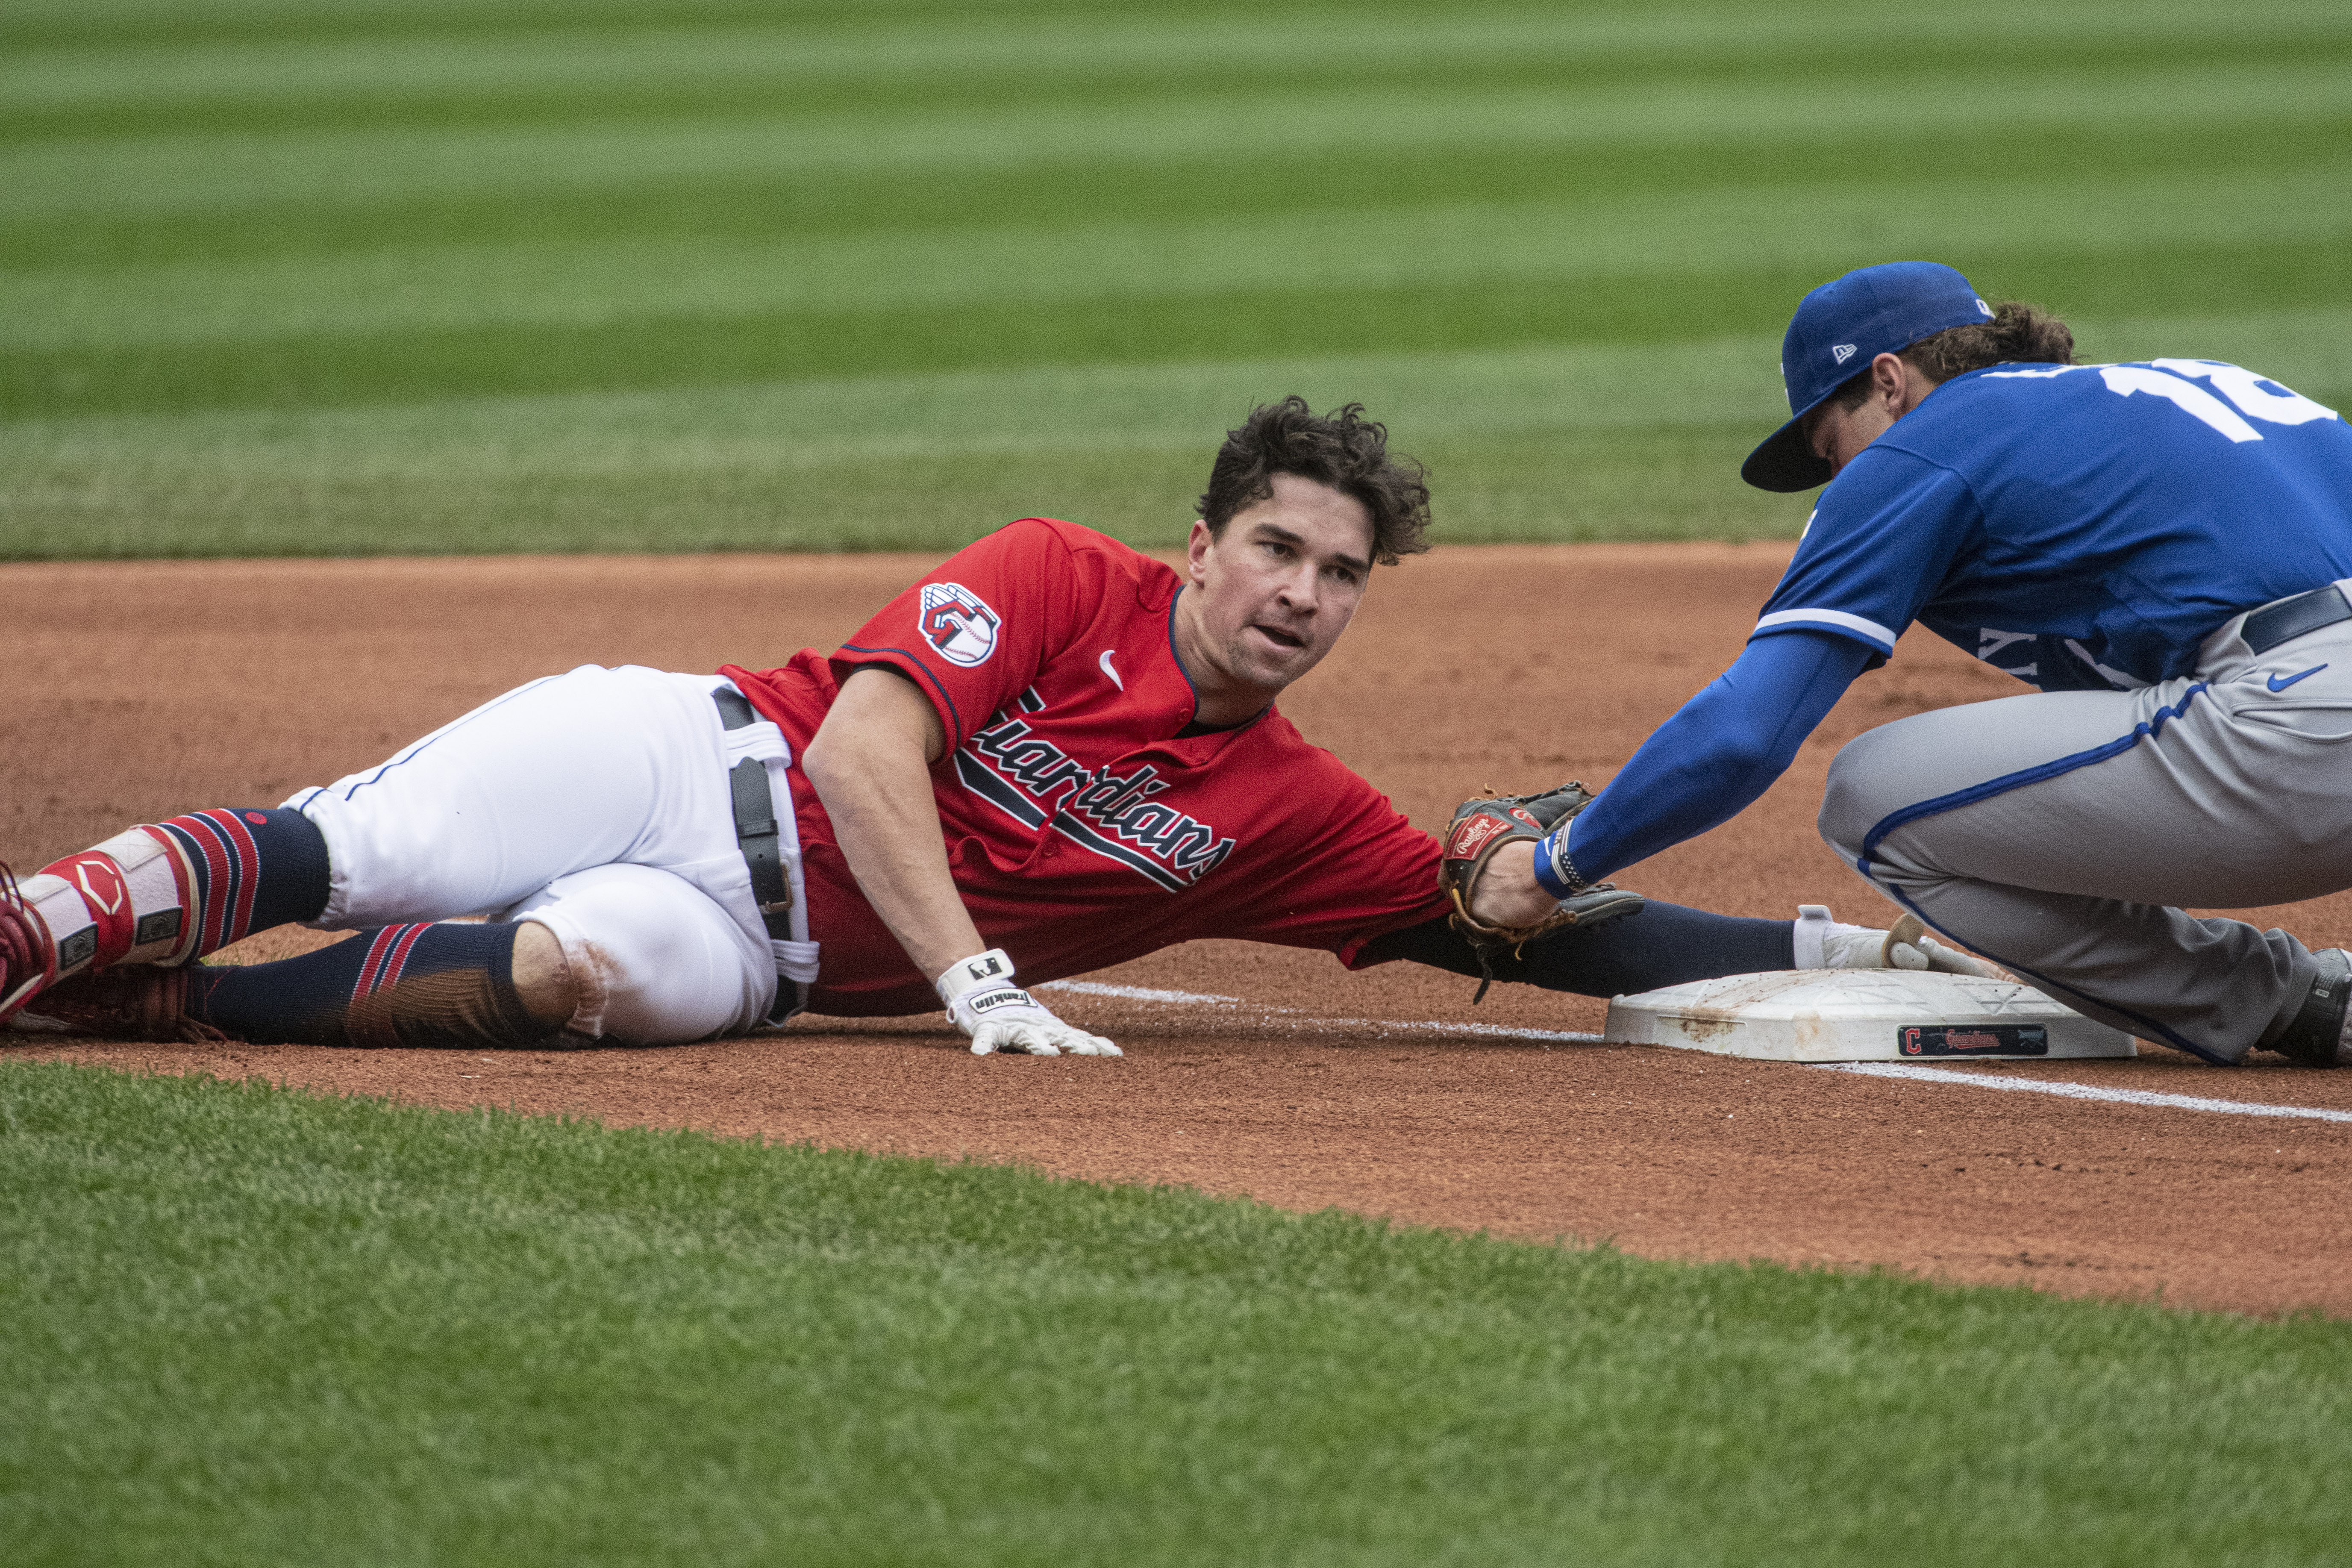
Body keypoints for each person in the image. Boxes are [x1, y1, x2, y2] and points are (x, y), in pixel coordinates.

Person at [0, 400, 1952, 1057]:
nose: (1298, 591)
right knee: (369, 848)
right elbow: (861, 757)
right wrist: (979, 981)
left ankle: (167, 1010)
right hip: (692, 756)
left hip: (747, 952)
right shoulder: (1046, 576)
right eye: (1273, 546)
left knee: (571, 975)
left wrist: (1840, 956)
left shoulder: (1288, 809)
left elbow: (1514, 917)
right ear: (1202, 543)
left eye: (1338, 573)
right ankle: (37, 930)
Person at [1490, 261, 2352, 1067]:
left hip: (2305, 731)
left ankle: (2294, 998)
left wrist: (1550, 869)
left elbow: (1744, 735)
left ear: (1890, 381)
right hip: (2312, 708)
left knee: (1872, 797)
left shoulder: (1925, 445)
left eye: (1833, 446)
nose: (1839, 476)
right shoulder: (2195, 395)